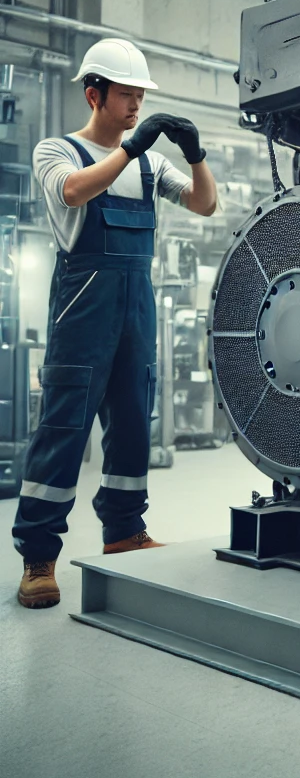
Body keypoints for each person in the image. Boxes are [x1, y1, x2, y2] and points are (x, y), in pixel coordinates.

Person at [14, 38, 218, 609]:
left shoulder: (153, 163)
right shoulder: (58, 151)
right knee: (62, 432)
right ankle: (38, 556)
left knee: (133, 423)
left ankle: (125, 533)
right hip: (82, 308)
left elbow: (205, 205)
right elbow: (75, 192)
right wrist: (131, 149)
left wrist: (196, 155)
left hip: (135, 310)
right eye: (125, 95)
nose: (134, 105)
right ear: (93, 94)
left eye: (139, 96)